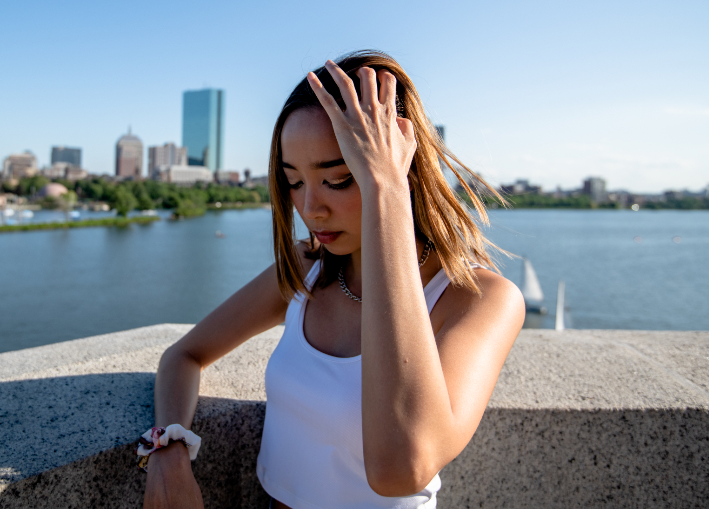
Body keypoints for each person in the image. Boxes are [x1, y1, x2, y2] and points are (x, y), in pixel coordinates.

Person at [142, 51, 525, 508]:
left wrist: (384, 188)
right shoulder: (310, 269)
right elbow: (183, 356)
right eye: (293, 181)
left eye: (340, 179)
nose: (310, 208)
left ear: (402, 167)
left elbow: (401, 469)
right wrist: (169, 450)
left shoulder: (480, 299)